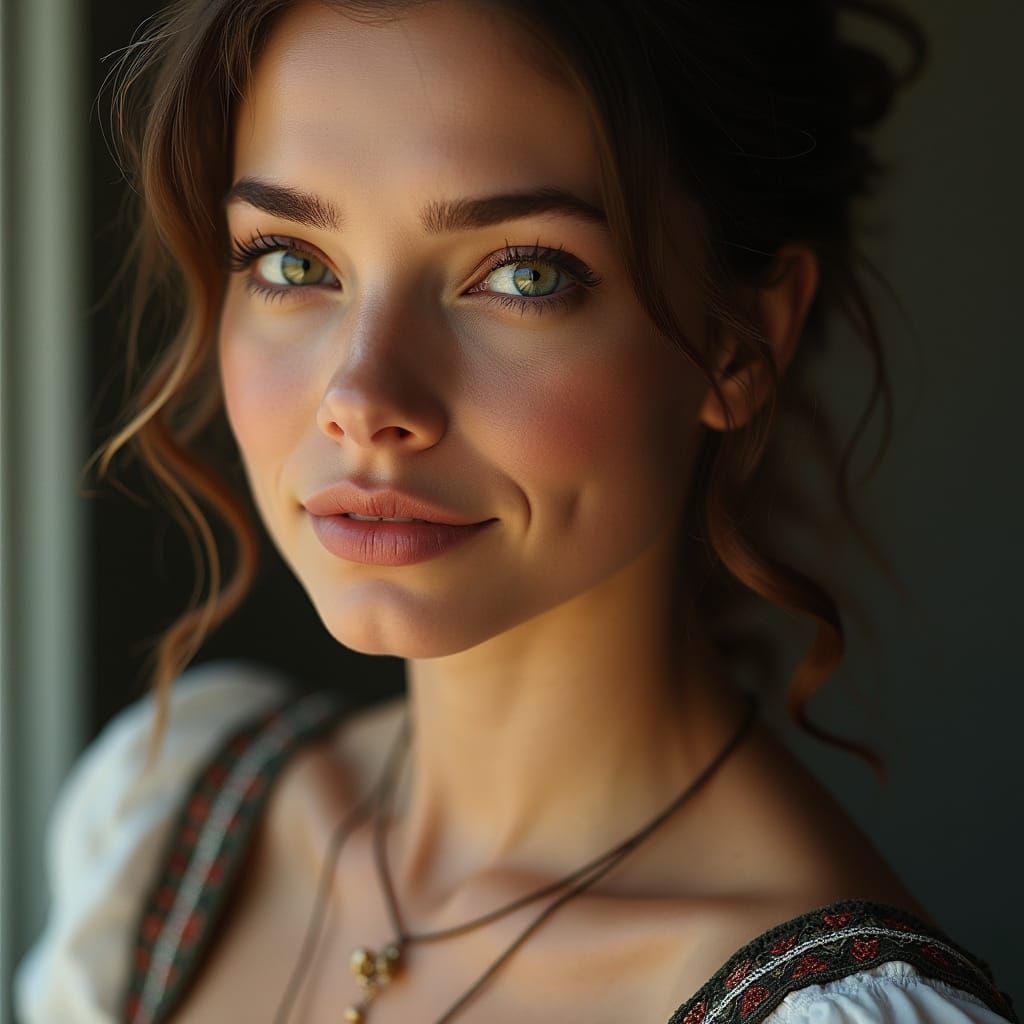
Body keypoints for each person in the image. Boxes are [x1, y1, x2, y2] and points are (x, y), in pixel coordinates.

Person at [13, 1, 1019, 1022]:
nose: (362, 399)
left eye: (522, 274)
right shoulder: (168, 824)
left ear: (737, 343)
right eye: (292, 260)